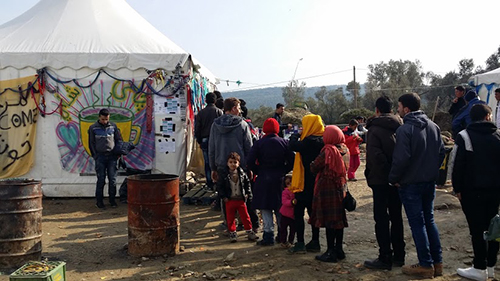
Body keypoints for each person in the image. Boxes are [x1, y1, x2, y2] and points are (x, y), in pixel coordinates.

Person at [389, 93, 445, 279]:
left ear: (406, 109)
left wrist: (394, 178)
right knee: (429, 220)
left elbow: (401, 159)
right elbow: (441, 153)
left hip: (410, 183)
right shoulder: (434, 126)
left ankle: (425, 264)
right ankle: (437, 262)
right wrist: (431, 171)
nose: (397, 110)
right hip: (429, 182)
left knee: (417, 224)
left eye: (399, 107)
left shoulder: (405, 130)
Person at [452, 103, 500, 281]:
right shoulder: (498, 135)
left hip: (472, 191)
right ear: (488, 116)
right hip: (495, 191)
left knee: (477, 229)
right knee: (494, 227)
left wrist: (456, 188)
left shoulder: (464, 136)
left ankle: (479, 267)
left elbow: (456, 164)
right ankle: (490, 266)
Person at [363, 96, 406, 270]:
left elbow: (375, 156)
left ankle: (384, 257)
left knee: (381, 218)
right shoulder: (401, 126)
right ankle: (399, 255)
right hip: (397, 180)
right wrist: (395, 175)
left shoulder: (374, 129)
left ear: (377, 110)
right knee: (396, 217)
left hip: (380, 180)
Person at [247, 118, 295, 246]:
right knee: (280, 207)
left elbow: (249, 161)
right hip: (280, 179)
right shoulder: (285, 142)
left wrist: (258, 170)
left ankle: (268, 236)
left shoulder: (258, 144)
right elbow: (293, 161)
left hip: (263, 178)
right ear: (277, 129)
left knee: (265, 208)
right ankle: (281, 234)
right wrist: (284, 170)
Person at [209, 97, 254, 228]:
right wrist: (249, 166)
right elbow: (248, 147)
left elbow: (212, 148)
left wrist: (213, 167)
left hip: (222, 164)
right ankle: (242, 222)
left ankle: (228, 223)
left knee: (224, 195)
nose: (240, 111)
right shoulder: (242, 124)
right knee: (241, 194)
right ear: (233, 108)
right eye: (238, 108)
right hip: (240, 166)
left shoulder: (215, 125)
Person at [309, 125, 349, 263]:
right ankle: (339, 250)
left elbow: (314, 167)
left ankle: (330, 251)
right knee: (338, 220)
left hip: (327, 189)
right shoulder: (344, 149)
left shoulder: (328, 151)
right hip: (341, 187)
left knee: (329, 220)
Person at [288, 114, 325, 254]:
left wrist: (296, 134)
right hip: (317, 183)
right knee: (313, 213)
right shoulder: (323, 140)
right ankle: (315, 241)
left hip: (304, 183)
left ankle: (300, 243)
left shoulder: (308, 141)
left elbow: (292, 145)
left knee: (298, 213)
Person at [217, 152, 259, 242]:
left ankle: (249, 231)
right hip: (229, 199)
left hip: (240, 199)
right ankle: (232, 232)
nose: (233, 164)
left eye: (235, 162)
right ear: (227, 163)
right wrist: (223, 197)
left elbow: (247, 184)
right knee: (230, 217)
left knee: (245, 216)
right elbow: (220, 187)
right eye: (231, 162)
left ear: (238, 163)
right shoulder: (224, 175)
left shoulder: (242, 174)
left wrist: (248, 194)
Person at [88, 108, 123, 209]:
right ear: (99, 117)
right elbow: (91, 143)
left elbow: (118, 140)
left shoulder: (113, 126)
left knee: (112, 180)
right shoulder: (93, 128)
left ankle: (112, 201)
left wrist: (118, 154)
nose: (105, 121)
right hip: (100, 157)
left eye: (106, 119)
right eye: (103, 119)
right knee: (101, 180)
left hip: (112, 157)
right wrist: (95, 156)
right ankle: (99, 202)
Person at [195, 92, 223, 190]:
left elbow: (197, 128)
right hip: (217, 140)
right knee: (218, 162)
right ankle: (218, 182)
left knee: (207, 163)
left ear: (205, 101)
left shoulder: (201, 113)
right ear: (215, 101)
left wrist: (199, 140)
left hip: (205, 139)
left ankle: (209, 183)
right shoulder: (219, 112)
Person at [279, 174, 296, 248]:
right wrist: (292, 202)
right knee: (283, 229)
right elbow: (284, 201)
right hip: (285, 214)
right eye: (288, 183)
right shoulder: (285, 192)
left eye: (291, 182)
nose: (290, 185)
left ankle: (290, 241)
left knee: (293, 229)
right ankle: (283, 241)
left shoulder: (296, 191)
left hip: (293, 215)